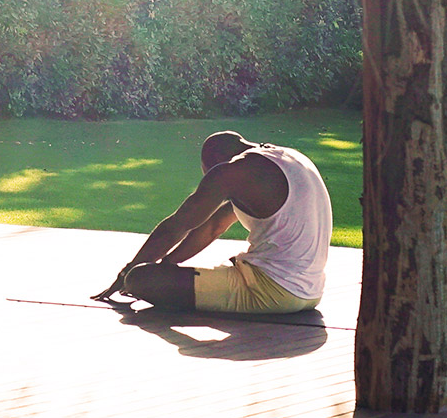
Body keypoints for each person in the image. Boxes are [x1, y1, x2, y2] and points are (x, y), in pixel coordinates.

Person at [94, 131, 331, 314]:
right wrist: (168, 263)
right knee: (152, 273)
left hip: (269, 290)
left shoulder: (232, 171)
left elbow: (177, 226)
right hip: (311, 292)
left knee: (141, 279)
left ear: (216, 164)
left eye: (208, 173)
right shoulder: (286, 158)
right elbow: (213, 225)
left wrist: (128, 271)